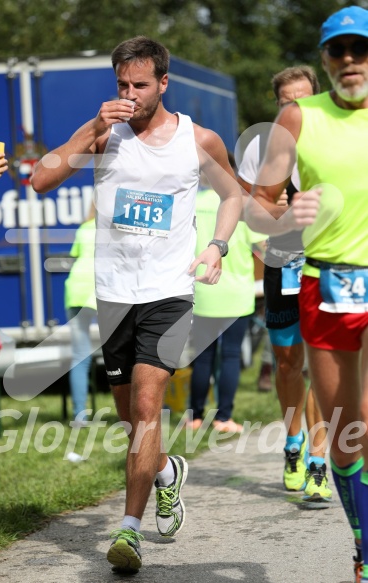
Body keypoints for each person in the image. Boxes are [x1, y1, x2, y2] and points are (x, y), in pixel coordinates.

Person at [31, 36, 242, 573]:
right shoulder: (107, 135)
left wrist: (216, 246)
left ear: (163, 83)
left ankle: (128, 532)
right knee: (131, 420)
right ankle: (167, 470)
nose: (130, 94)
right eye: (122, 84)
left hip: (170, 291)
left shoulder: (199, 139)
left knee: (148, 409)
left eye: (140, 85)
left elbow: (234, 194)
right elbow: (40, 179)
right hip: (114, 294)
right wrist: (93, 126)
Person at [244, 7, 368, 582]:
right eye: (339, 51)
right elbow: (258, 207)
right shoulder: (297, 119)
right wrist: (289, 211)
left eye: (361, 50)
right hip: (327, 282)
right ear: (324, 59)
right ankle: (363, 538)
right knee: (347, 438)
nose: (351, 61)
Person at [238, 66, 332, 502]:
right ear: (276, 106)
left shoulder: (331, 136)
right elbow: (245, 204)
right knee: (288, 360)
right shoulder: (261, 146)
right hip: (280, 257)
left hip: (325, 256)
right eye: (286, 102)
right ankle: (292, 440)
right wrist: (267, 222)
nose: (295, 108)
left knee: (318, 360)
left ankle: (318, 457)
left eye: (303, 99)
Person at [187, 152, 265, 433]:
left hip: (203, 288)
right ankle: (224, 418)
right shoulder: (245, 205)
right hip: (237, 294)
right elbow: (263, 250)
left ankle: (194, 417)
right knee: (230, 355)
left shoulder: (193, 202)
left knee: (203, 355)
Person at [64, 217, 96, 426]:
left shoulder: (85, 226)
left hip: (75, 289)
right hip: (102, 287)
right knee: (124, 354)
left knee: (80, 356)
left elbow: (76, 256)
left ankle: (79, 416)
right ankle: (133, 416)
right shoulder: (119, 225)